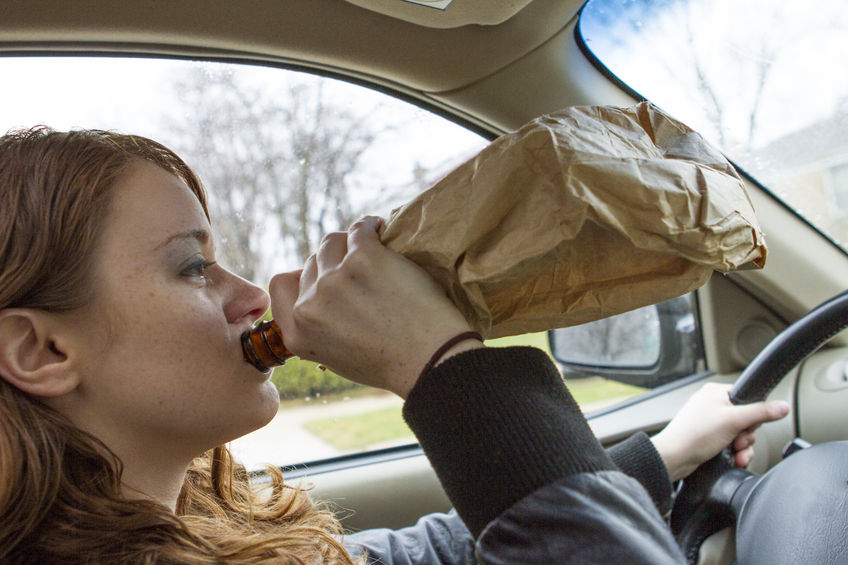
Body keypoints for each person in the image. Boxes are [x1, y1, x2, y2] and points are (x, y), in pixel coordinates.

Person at [0, 127, 788, 564]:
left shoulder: (197, 530)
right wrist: (440, 365)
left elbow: (420, 555)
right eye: (193, 266)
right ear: (40, 351)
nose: (250, 292)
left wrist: (668, 451)